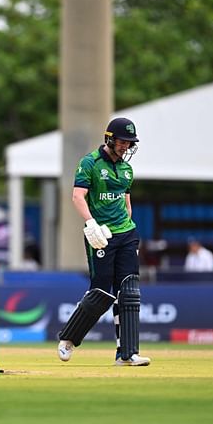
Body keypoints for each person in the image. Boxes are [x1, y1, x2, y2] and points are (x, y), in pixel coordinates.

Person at [56, 117, 151, 367]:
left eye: (130, 143)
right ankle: (69, 338)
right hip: (101, 235)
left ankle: (127, 353)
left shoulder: (127, 170)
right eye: (123, 141)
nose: (126, 147)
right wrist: (91, 223)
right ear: (109, 138)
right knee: (101, 292)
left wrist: (128, 228)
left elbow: (126, 201)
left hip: (127, 234)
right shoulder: (90, 163)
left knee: (128, 291)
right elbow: (78, 196)